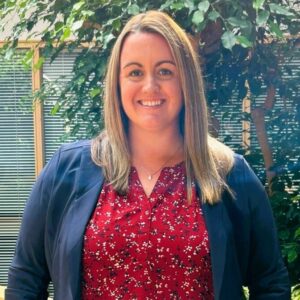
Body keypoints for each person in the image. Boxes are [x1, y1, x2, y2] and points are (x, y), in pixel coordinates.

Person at [6, 10, 290, 300]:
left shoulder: (230, 175)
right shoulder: (66, 172)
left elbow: (270, 285)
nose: (150, 86)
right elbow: (26, 281)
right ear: (117, 84)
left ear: (186, 81)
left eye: (165, 71)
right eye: (135, 72)